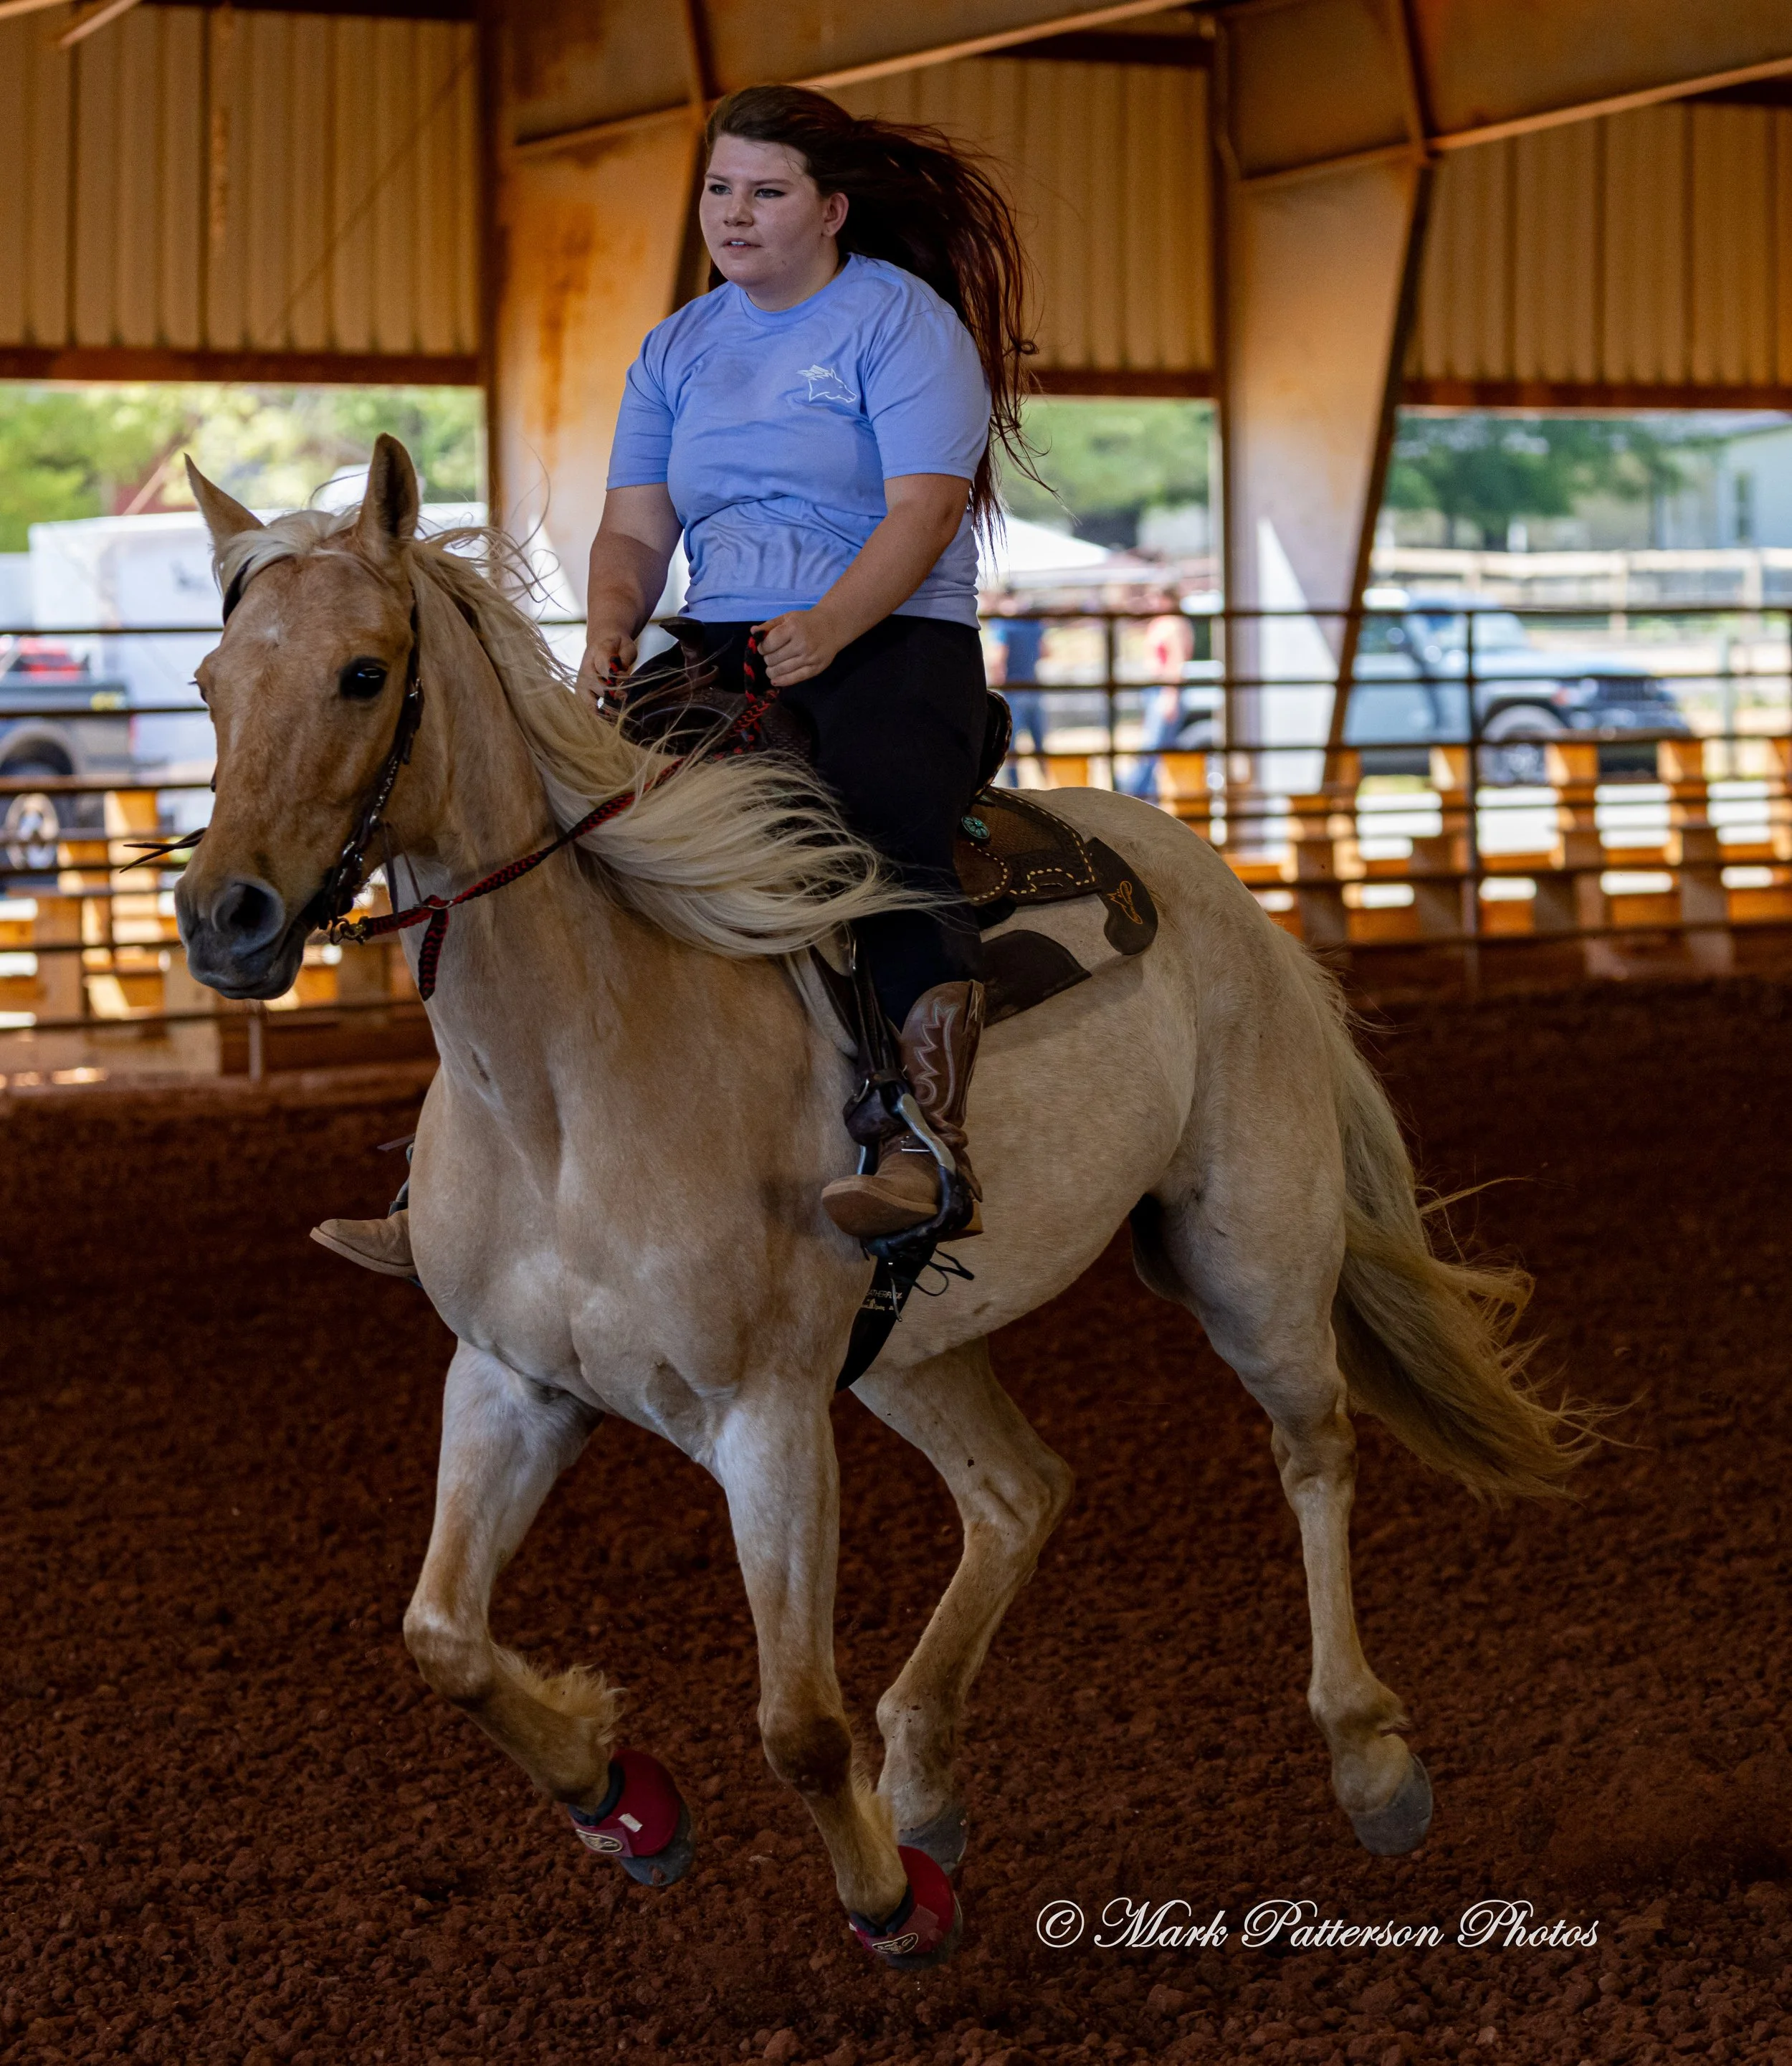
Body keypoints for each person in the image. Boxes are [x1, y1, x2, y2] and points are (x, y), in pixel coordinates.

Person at [312, 84, 1042, 1277]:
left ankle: (922, 1141)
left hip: (895, 640)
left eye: (767, 192)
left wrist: (834, 620)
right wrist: (613, 622)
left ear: (832, 210)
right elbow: (636, 527)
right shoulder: (680, 345)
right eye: (719, 190)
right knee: (558, 843)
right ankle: (463, 1168)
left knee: (884, 842)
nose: (734, 215)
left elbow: (928, 507)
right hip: (718, 647)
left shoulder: (900, 324)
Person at [1121, 592, 1198, 799]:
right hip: (1156, 690)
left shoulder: (1174, 624)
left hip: (1165, 689)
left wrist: (1170, 695)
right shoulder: (1162, 623)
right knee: (1151, 747)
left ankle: (1136, 795)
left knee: (1154, 748)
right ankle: (1147, 797)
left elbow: (1177, 662)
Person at [986, 595, 1049, 785]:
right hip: (1033, 687)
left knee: (1010, 745)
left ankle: (1015, 788)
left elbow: (998, 658)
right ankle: (1047, 786)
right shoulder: (1033, 626)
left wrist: (998, 683)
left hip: (1013, 690)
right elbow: (1046, 652)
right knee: (1040, 745)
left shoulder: (1002, 626)